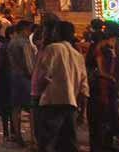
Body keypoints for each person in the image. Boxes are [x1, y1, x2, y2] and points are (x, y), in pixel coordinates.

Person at [34, 22, 88, 152]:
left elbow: (44, 75)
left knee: (48, 141)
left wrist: (38, 92)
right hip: (71, 103)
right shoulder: (78, 55)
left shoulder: (52, 48)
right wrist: (83, 111)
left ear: (57, 33)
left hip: (52, 101)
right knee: (68, 142)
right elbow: (84, 86)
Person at [87, 24, 119, 151]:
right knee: (102, 120)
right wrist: (112, 77)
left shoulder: (103, 48)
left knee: (104, 120)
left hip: (103, 89)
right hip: (101, 89)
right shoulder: (101, 49)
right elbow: (102, 71)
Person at [8, 20, 36, 146]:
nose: (30, 32)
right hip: (24, 77)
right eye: (29, 29)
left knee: (16, 107)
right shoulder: (24, 43)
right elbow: (29, 64)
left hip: (14, 76)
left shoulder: (12, 42)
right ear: (24, 29)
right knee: (31, 108)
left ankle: (17, 135)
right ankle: (33, 137)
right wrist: (32, 75)